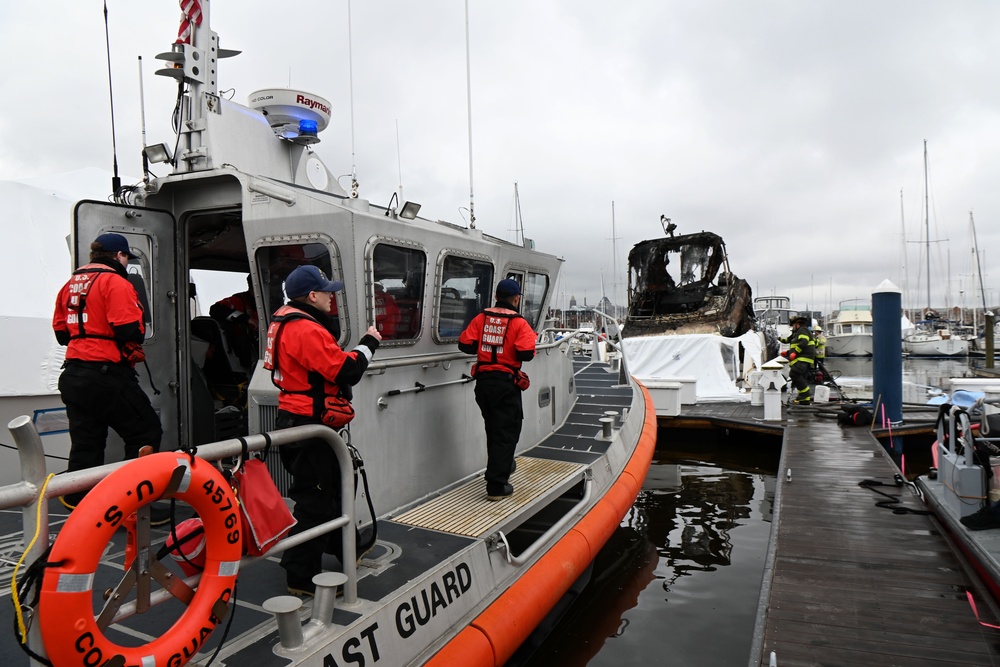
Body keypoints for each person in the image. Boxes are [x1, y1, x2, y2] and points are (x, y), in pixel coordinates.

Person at [264, 264, 381, 594]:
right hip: (310, 428)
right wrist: (369, 342)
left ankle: (346, 549)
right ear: (312, 296)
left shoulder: (283, 321)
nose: (333, 297)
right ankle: (300, 577)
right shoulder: (306, 329)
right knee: (315, 502)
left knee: (332, 491)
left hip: (298, 420)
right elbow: (348, 370)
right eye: (328, 292)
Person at [51, 233, 163, 509]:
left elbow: (61, 334)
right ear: (119, 256)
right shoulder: (116, 282)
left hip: (74, 374)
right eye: (127, 258)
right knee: (145, 433)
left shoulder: (69, 285)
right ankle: (132, 504)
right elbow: (128, 330)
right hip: (106, 374)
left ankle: (76, 499)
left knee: (86, 442)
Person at [459, 278, 537, 500]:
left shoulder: (481, 318)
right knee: (507, 431)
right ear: (516, 299)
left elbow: (464, 344)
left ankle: (503, 465)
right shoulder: (520, 323)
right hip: (505, 383)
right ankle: (496, 486)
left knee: (493, 428)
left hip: (483, 382)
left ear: (496, 296)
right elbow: (526, 354)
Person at [209, 274, 259, 371]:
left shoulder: (273, 304)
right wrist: (246, 319)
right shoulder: (239, 301)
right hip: (244, 352)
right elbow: (215, 309)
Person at [780, 315, 816, 405]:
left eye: (793, 325)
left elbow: (804, 342)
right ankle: (804, 399)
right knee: (801, 377)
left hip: (804, 358)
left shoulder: (802, 330)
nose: (792, 327)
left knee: (794, 373)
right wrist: (788, 353)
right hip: (803, 358)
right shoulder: (797, 333)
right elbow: (790, 341)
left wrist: (795, 352)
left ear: (797, 324)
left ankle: (805, 394)